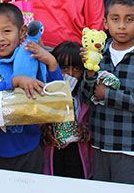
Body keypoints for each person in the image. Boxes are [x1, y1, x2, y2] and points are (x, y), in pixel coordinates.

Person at [0, 3, 64, 172]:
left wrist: (51, 62)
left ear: (22, 32)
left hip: (29, 149)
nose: (0, 38)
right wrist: (14, 81)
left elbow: (55, 94)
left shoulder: (33, 58)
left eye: (7, 31)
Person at [79, 0, 134, 185]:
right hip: (99, 141)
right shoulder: (98, 53)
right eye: (115, 19)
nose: (122, 26)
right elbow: (85, 98)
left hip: (129, 144)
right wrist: (89, 74)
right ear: (105, 23)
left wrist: (109, 95)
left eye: (129, 19)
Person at [42, 41, 93, 179]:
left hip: (78, 152)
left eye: (76, 69)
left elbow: (93, 123)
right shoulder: (46, 94)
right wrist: (47, 131)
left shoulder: (85, 97)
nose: (70, 74)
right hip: (54, 151)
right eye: (64, 68)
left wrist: (84, 131)